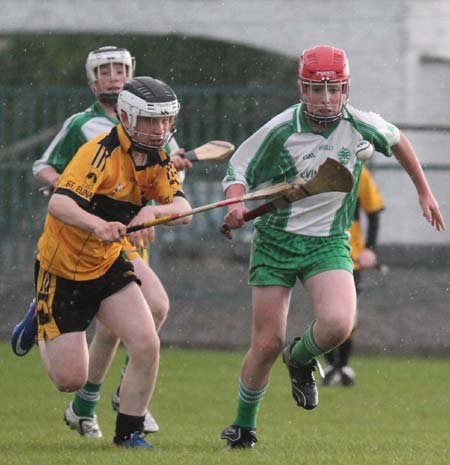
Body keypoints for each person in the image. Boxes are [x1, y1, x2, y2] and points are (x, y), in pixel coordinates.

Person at [219, 44, 445, 449]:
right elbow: (239, 167)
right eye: (316, 90)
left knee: (340, 323)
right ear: (302, 90)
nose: (326, 100)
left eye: (334, 90)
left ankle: (301, 358)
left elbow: (398, 141)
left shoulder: (360, 125)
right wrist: (236, 202)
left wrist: (424, 191)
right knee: (266, 343)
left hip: (329, 243)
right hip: (275, 242)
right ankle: (243, 425)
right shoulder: (280, 129)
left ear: (346, 89)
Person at [11, 47, 192, 439]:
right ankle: (42, 321)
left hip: (109, 263)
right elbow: (59, 201)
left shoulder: (158, 157)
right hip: (63, 270)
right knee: (69, 380)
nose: (159, 131)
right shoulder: (97, 152)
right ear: (127, 118)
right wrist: (96, 224)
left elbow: (183, 206)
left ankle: (128, 433)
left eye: (164, 122)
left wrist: (153, 213)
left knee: (146, 342)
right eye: (149, 121)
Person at [322, 166, 384, 387]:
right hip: (320, 253)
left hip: (350, 255)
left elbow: (374, 211)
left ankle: (341, 365)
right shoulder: (317, 169)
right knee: (327, 314)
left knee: (348, 314)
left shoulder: (361, 174)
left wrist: (369, 249)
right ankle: (332, 365)